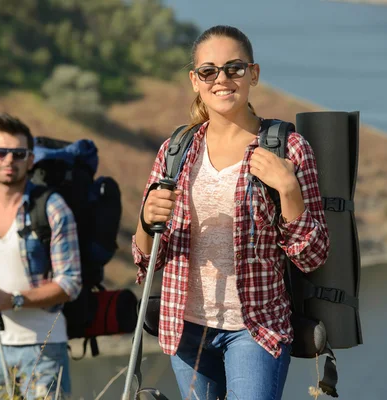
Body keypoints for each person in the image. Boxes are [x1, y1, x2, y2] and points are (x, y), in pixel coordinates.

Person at [132, 25, 330, 400]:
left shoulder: (287, 148)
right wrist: (145, 221)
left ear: (253, 74)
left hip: (255, 329)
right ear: (195, 80)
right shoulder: (175, 151)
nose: (221, 79)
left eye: (234, 68)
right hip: (185, 328)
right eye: (208, 71)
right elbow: (144, 259)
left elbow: (313, 255)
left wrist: (288, 190)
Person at [0, 113, 81, 399]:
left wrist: (13, 301)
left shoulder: (53, 208)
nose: (8, 160)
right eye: (0, 152)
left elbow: (70, 283)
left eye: (18, 153)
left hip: (44, 348)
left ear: (30, 159)